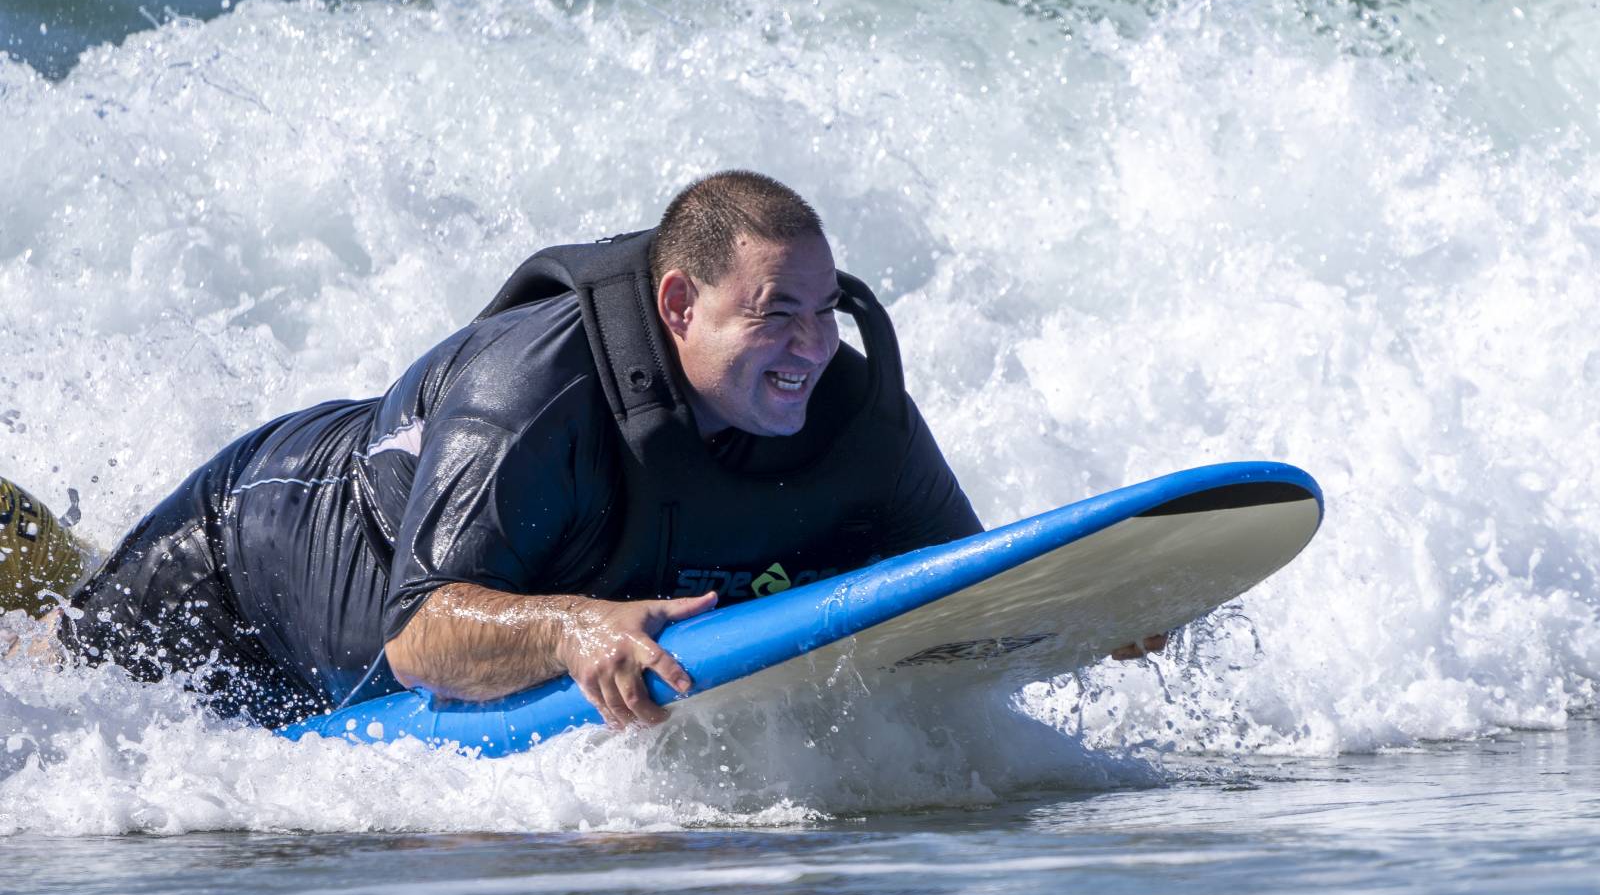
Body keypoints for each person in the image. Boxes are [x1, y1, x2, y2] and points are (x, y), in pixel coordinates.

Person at [45, 172, 994, 729]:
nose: (814, 347)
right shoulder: (538, 392)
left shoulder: (855, 410)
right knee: (58, 684)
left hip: (371, 626)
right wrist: (573, 630)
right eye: (775, 314)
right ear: (677, 306)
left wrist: (1103, 621)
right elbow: (419, 637)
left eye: (825, 311)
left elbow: (977, 581)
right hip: (250, 561)